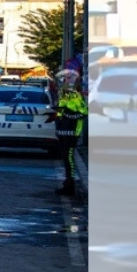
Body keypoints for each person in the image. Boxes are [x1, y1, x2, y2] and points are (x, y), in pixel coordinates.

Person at [52, 68, 87, 196]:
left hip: (72, 132)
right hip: (63, 131)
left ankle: (70, 185)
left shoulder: (76, 96)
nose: (65, 82)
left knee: (69, 159)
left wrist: (68, 115)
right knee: (65, 158)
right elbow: (62, 112)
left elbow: (83, 113)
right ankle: (67, 183)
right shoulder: (64, 95)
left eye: (67, 80)